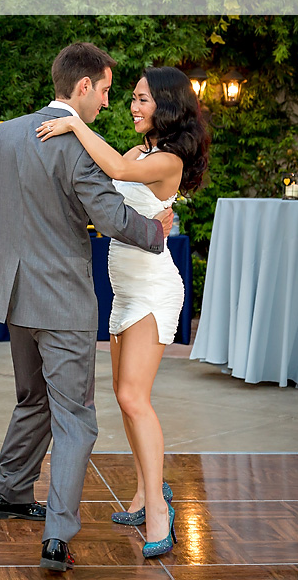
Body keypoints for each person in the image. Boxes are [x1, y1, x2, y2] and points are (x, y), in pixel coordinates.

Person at [0, 42, 173, 572]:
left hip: (14, 295)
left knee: (32, 399)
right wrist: (157, 232)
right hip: (61, 301)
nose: (107, 103)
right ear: (83, 87)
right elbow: (111, 219)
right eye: (104, 91)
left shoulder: (5, 134)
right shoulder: (80, 147)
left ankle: (8, 493)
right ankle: (57, 536)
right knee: (76, 418)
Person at [37, 66, 209, 558]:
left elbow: (115, 171)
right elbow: (106, 187)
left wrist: (73, 124)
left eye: (141, 99)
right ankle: (142, 493)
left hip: (153, 289)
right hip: (124, 290)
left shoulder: (168, 160)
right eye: (131, 98)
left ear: (168, 107)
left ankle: (158, 510)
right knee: (124, 395)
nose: (133, 107)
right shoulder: (140, 150)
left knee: (135, 398)